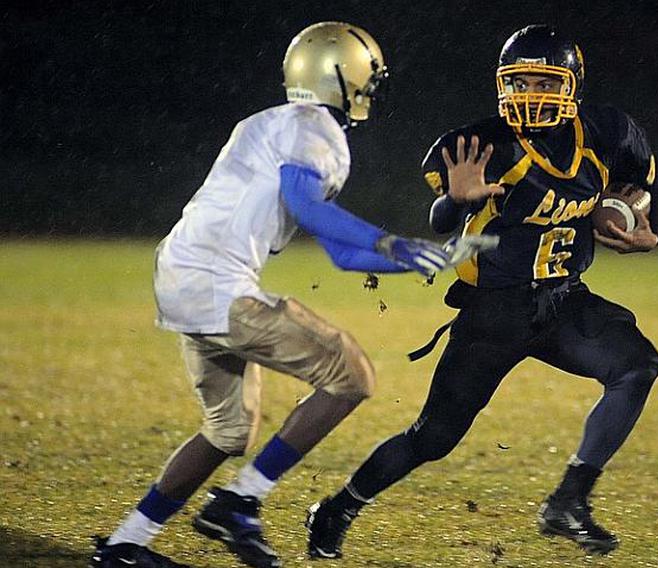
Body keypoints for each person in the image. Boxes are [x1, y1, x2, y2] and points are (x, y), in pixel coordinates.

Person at [90, 21, 471, 568]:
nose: (370, 89)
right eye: (367, 77)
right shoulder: (314, 128)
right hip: (218, 283)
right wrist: (390, 241)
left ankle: (128, 543)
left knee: (228, 430)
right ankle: (240, 501)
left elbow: (338, 252)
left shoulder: (269, 123)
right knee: (352, 374)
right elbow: (311, 208)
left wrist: (409, 258)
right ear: (342, 74)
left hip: (182, 276)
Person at [305, 24, 658, 558]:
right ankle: (338, 508)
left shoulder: (607, 133)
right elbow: (441, 219)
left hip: (563, 299)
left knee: (638, 366)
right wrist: (457, 201)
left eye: (543, 84)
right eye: (519, 85)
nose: (529, 97)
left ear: (572, 86)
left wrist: (647, 228)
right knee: (432, 438)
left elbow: (648, 181)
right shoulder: (484, 145)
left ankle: (569, 500)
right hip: (494, 313)